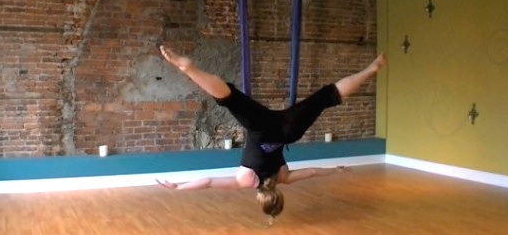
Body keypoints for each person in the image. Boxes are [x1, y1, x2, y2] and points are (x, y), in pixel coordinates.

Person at [156, 45, 386, 221]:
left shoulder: (283, 178)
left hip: (288, 131)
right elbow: (208, 182)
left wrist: (335, 169)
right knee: (228, 98)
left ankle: (370, 69)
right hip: (260, 127)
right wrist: (179, 186)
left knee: (327, 97)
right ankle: (190, 69)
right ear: (260, 198)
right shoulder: (245, 180)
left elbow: (313, 171)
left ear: (278, 196)